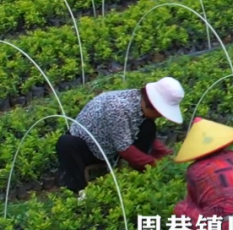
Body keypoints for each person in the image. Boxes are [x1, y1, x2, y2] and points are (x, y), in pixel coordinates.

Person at [55, 78, 185, 196]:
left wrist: (164, 154)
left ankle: (139, 173)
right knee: (66, 143)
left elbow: (133, 129)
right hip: (89, 147)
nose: (161, 116)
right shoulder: (118, 107)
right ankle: (78, 192)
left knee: (148, 127)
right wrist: (156, 165)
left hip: (111, 144)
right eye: (161, 113)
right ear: (152, 105)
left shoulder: (138, 101)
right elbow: (125, 149)